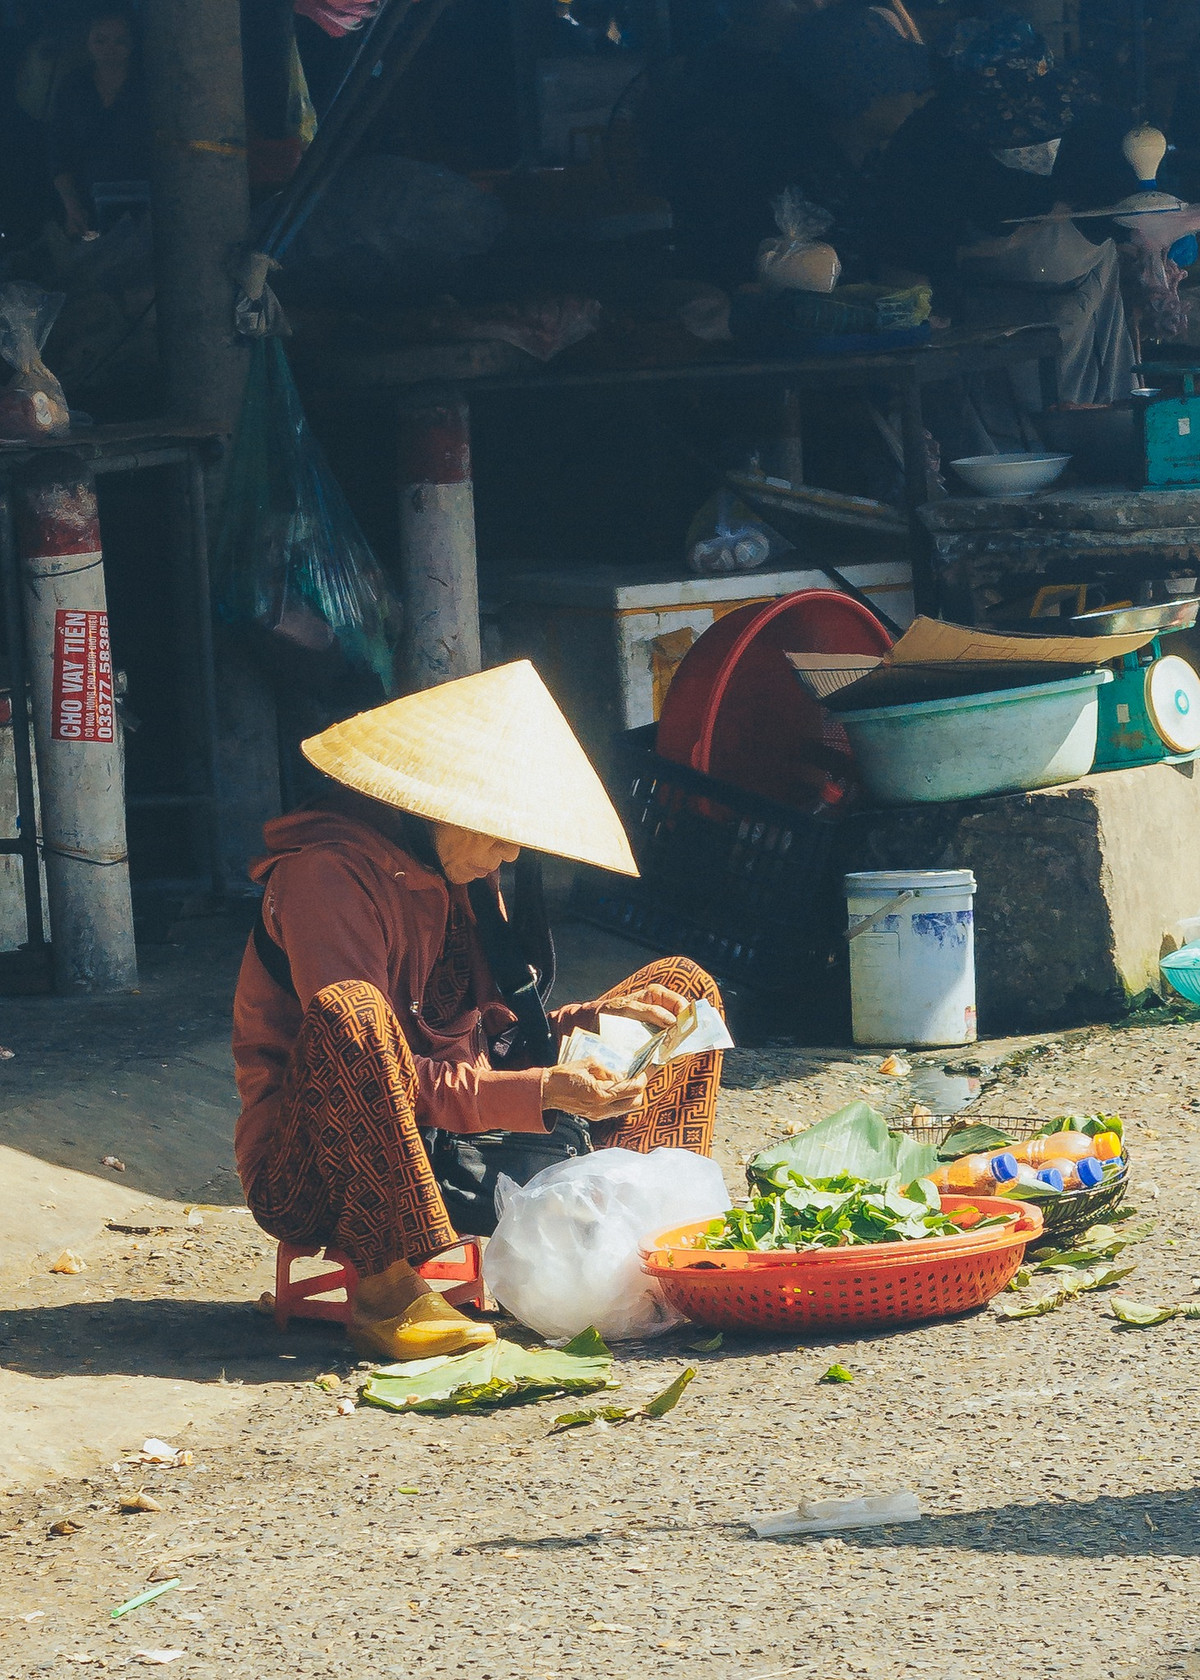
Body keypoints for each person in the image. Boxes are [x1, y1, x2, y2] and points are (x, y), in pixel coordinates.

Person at [232, 661, 724, 1364]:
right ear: (434, 806)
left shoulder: (462, 870)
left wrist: (589, 1026)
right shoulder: (326, 877)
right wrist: (544, 1091)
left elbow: (492, 1038)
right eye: (498, 832)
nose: (512, 850)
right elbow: (380, 1066)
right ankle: (386, 1293)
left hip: (461, 1150)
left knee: (683, 990)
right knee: (353, 1012)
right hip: (322, 1174)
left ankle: (633, 1254)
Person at [874, 14, 1137, 419]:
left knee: (1098, 420)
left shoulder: (1099, 128)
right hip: (979, 319)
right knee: (994, 438)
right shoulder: (928, 141)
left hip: (1086, 308)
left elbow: (1137, 214)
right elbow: (907, 246)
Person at [49, 3, 149, 239]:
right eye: (101, 40)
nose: (109, 49)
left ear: (132, 44)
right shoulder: (74, 86)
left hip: (145, 208)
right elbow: (58, 152)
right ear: (88, 42)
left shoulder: (148, 86)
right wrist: (71, 207)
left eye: (119, 41)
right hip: (84, 208)